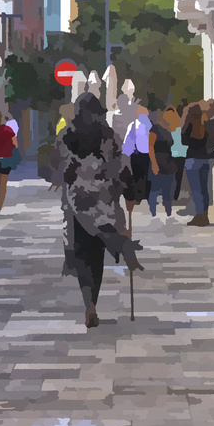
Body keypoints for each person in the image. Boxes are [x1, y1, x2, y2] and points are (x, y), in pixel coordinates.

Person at [57, 92, 142, 327]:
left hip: (77, 206)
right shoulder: (109, 137)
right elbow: (122, 168)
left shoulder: (65, 136)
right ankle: (93, 300)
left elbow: (58, 168)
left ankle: (89, 305)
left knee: (83, 255)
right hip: (104, 206)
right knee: (96, 257)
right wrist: (131, 194)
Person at [120, 104, 153, 236]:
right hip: (144, 154)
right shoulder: (149, 124)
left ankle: (140, 195)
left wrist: (126, 151)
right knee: (145, 175)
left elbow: (129, 139)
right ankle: (144, 195)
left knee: (138, 175)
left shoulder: (133, 124)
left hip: (137, 154)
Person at [182, 101, 214, 227]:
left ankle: (199, 216)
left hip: (192, 160)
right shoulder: (206, 125)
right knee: (204, 189)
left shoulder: (188, 126)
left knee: (196, 190)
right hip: (205, 160)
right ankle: (204, 215)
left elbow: (184, 141)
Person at [149, 109, 177, 219]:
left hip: (169, 164)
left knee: (168, 190)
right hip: (158, 162)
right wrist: (154, 163)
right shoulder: (155, 129)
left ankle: (168, 213)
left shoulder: (170, 130)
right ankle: (153, 213)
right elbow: (150, 147)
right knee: (155, 189)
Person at [166, 106, 188, 207]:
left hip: (180, 154)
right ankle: (173, 195)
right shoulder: (171, 128)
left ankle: (175, 195)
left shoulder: (178, 127)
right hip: (174, 154)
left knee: (178, 176)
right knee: (175, 176)